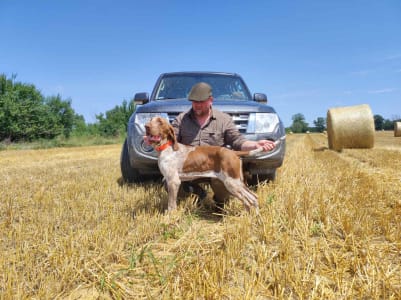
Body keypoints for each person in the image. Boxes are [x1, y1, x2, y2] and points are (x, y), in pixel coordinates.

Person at [171, 82, 276, 210]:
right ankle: (197, 194)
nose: (197, 105)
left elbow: (237, 141)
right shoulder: (181, 119)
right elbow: (170, 142)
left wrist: (255, 145)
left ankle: (220, 203)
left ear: (211, 100)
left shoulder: (223, 119)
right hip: (189, 168)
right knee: (168, 183)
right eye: (194, 102)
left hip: (215, 168)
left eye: (201, 102)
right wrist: (154, 140)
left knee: (228, 185)